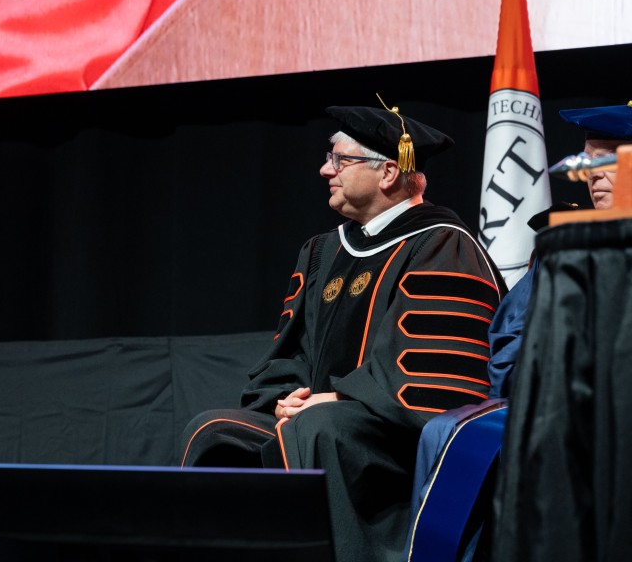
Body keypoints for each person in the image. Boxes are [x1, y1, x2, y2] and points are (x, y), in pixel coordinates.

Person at [180, 102, 506, 562]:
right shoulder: (321, 251)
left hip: (398, 436)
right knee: (214, 430)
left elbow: (435, 374)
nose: (323, 169)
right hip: (320, 421)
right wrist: (286, 396)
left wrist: (338, 398)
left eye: (338, 159)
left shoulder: (443, 243)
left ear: (389, 171)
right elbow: (292, 351)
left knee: (320, 425)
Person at [402, 101, 632, 562]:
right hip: (563, 398)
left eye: (609, 158)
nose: (594, 175)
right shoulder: (568, 244)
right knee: (452, 432)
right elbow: (512, 336)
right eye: (589, 160)